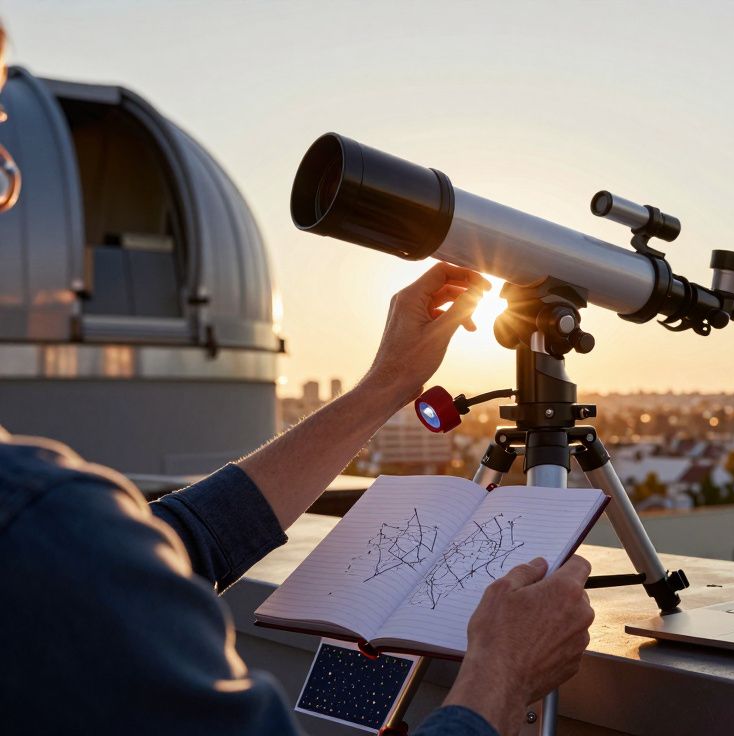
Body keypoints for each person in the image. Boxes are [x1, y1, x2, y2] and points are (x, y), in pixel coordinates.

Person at [0, 21, 594, 736]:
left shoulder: (48, 539)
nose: (11, 191)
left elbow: (168, 546)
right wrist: (500, 678)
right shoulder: (35, 524)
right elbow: (88, 562)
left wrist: (384, 388)